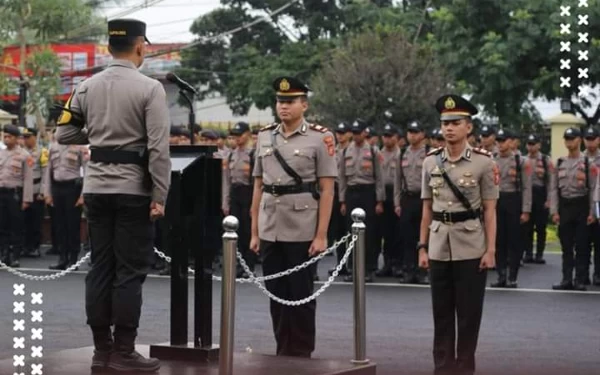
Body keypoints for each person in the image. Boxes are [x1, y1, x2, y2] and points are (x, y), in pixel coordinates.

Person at [55, 18, 170, 372]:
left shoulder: (85, 87)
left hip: (96, 189)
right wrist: (160, 194)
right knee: (129, 270)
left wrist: (99, 135)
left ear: (109, 47)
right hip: (133, 189)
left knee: (100, 268)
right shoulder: (150, 88)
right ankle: (124, 350)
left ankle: (101, 350)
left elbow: (63, 134)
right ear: (139, 46)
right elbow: (158, 148)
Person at [250, 76, 336, 357]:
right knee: (276, 293)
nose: (283, 106)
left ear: (304, 105)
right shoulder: (265, 136)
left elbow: (326, 188)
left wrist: (321, 234)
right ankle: (282, 350)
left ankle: (300, 354)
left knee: (300, 294)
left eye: (290, 102)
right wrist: (254, 231)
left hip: (302, 225)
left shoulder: (320, 137)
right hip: (270, 225)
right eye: (280, 101)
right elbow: (258, 186)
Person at [419, 94, 498, 375]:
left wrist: (490, 250)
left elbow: (489, 210)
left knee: (468, 316)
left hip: (471, 246)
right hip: (439, 244)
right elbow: (427, 209)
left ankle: (464, 368)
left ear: (469, 128)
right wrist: (422, 247)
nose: (449, 128)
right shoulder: (430, 162)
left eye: (455, 122)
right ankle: (442, 368)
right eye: (445, 123)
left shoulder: (483, 163)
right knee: (441, 314)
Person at [550, 127, 598, 291]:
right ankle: (566, 278)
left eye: (572, 139)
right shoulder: (559, 163)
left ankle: (580, 279)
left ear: (579, 140)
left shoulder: (588, 164)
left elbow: (593, 190)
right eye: (567, 139)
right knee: (566, 245)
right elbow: (554, 189)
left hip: (582, 206)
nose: (569, 142)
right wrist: (554, 211)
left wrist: (593, 212)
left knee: (582, 245)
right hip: (565, 206)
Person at [339, 118, 385, 282]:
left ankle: (368, 268)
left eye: (359, 132)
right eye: (354, 132)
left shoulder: (373, 151)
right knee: (351, 233)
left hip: (368, 192)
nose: (357, 136)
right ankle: (353, 268)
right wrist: (342, 201)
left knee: (369, 232)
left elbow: (379, 178)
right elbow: (342, 178)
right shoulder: (345, 151)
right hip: (352, 193)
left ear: (365, 133)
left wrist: (379, 201)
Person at [489, 129, 531, 288]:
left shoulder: (521, 161)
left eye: (503, 140)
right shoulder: (491, 160)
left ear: (511, 141)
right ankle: (501, 275)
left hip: (514, 200)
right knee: (499, 240)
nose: (500, 144)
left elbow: (527, 188)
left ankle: (512, 276)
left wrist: (526, 210)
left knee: (514, 241)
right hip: (497, 200)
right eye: (498, 141)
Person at [44, 138, 87, 270]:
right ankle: (62, 258)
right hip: (57, 188)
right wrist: (47, 193)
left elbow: (86, 171)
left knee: (72, 225)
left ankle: (73, 259)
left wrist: (83, 195)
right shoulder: (53, 146)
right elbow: (48, 171)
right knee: (60, 225)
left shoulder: (80, 146)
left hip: (72, 188)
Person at [395, 120, 429, 284]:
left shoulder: (430, 153)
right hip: (408, 198)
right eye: (409, 132)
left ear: (422, 134)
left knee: (423, 236)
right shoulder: (402, 153)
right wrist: (397, 203)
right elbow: (397, 181)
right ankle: (409, 270)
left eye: (415, 132)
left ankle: (423, 271)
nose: (412, 136)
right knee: (407, 236)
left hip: (425, 199)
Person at [222, 121, 256, 277]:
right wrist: (226, 201)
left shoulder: (253, 154)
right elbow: (227, 181)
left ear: (248, 134)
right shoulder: (231, 154)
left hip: (248, 193)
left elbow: (258, 182)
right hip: (235, 194)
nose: (237, 138)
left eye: (240, 135)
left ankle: (249, 265)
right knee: (237, 231)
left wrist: (255, 205)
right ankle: (239, 264)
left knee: (248, 231)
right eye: (234, 135)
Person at [0, 124, 34, 268]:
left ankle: (15, 256)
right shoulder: (0, 153)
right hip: (1, 193)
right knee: (2, 226)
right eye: (5, 136)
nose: (6, 139)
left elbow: (28, 178)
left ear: (16, 138)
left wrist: (27, 199)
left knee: (16, 226)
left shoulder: (25, 155)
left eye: (9, 137)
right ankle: (4, 254)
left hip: (15, 194)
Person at [375, 123, 402, 278]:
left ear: (397, 138)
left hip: (396, 193)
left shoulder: (401, 154)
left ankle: (398, 264)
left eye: (390, 136)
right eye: (385, 136)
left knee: (398, 232)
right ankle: (387, 263)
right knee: (385, 232)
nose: (387, 139)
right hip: (383, 194)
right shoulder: (378, 153)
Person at [523, 134, 552, 264]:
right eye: (529, 143)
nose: (531, 146)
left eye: (533, 143)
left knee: (541, 227)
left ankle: (539, 254)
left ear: (539, 145)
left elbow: (551, 182)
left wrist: (549, 200)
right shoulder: (522, 160)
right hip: (527, 195)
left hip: (541, 195)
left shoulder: (546, 160)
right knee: (527, 227)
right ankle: (528, 253)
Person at [22, 127, 48, 258]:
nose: (26, 139)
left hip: (36, 190)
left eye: (28, 136)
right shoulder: (21, 152)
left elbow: (45, 173)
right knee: (23, 221)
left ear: (35, 137)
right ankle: (25, 246)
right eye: (24, 137)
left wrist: (43, 192)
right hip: (24, 192)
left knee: (36, 222)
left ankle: (35, 247)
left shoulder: (42, 152)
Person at [583, 127, 600, 285]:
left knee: (598, 242)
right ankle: (583, 274)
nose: (590, 142)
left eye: (593, 138)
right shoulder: (579, 159)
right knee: (583, 242)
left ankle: (598, 273)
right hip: (582, 206)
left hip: (598, 205)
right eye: (587, 139)